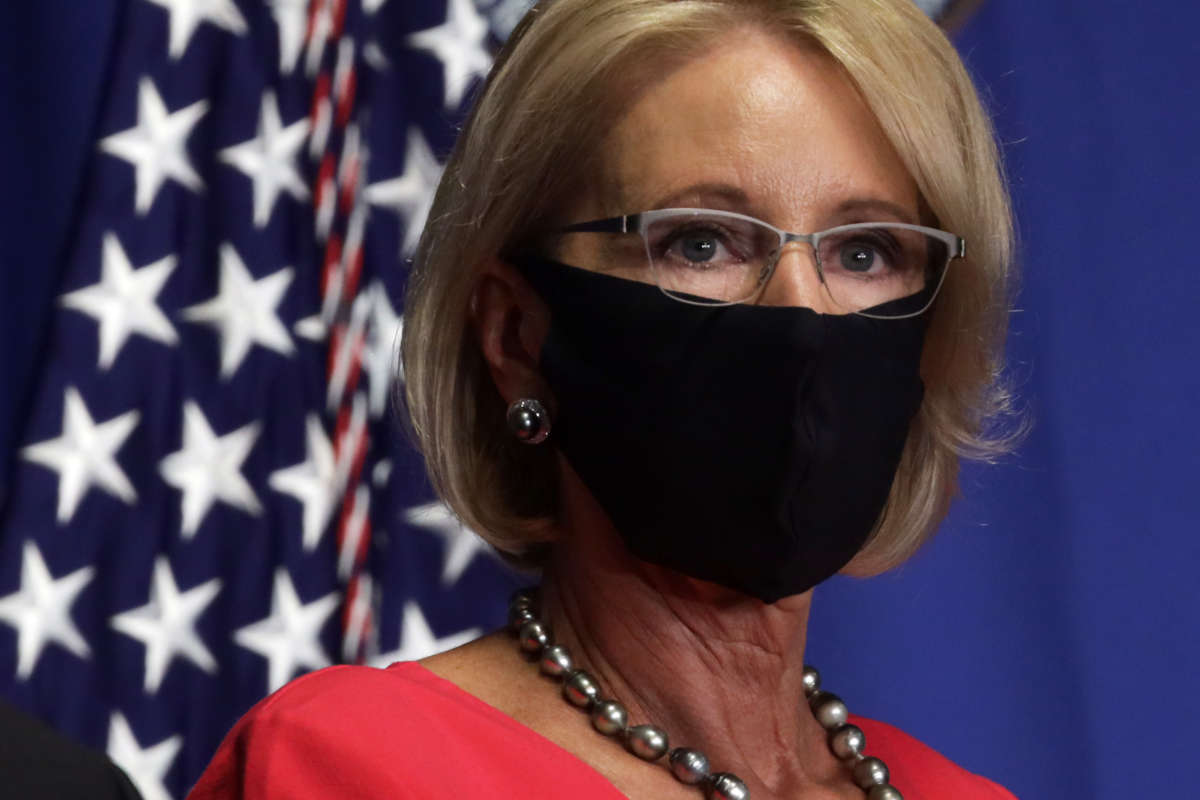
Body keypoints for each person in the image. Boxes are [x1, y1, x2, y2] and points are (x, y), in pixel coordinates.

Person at [189, 0, 1018, 797]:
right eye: (702, 242)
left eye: (867, 253)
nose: (803, 314)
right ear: (516, 336)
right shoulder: (355, 768)